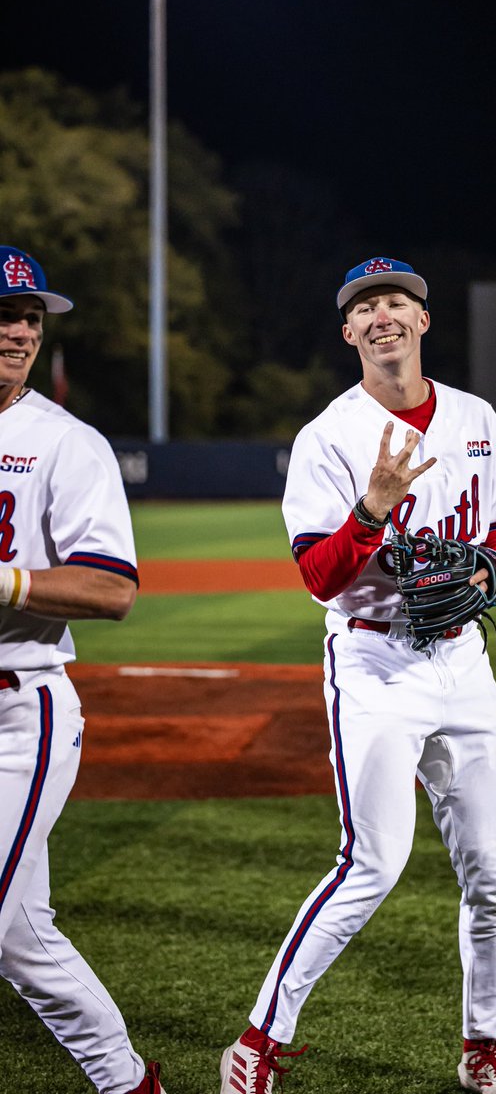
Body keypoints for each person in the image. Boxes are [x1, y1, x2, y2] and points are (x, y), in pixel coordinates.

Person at [220, 257, 496, 1094]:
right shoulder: (329, 435)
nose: (383, 314)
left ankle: (484, 1047)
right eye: (366, 306)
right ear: (350, 331)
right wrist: (371, 510)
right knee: (374, 860)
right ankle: (258, 1038)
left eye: (397, 301)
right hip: (373, 657)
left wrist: (490, 575)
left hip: (463, 658)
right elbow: (320, 576)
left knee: (492, 872)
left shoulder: (475, 416)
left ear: (423, 320)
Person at [0, 246, 164, 1093]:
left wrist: (8, 580)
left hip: (17, 714)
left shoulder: (66, 443)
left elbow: (112, 587)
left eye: (30, 316)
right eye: (5, 313)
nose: (20, 329)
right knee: (20, 934)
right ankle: (129, 1081)